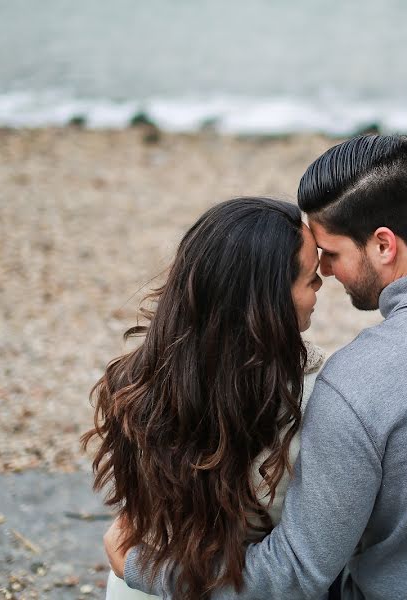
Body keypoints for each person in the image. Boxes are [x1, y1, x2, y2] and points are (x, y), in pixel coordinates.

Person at [113, 135, 407, 599]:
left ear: (383, 245)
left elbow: (296, 574)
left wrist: (142, 566)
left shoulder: (354, 383)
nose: (324, 271)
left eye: (331, 254)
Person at [82, 197, 325, 600]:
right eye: (312, 278)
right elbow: (303, 564)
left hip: (137, 584)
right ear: (269, 300)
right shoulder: (316, 395)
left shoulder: (137, 379)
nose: (321, 286)